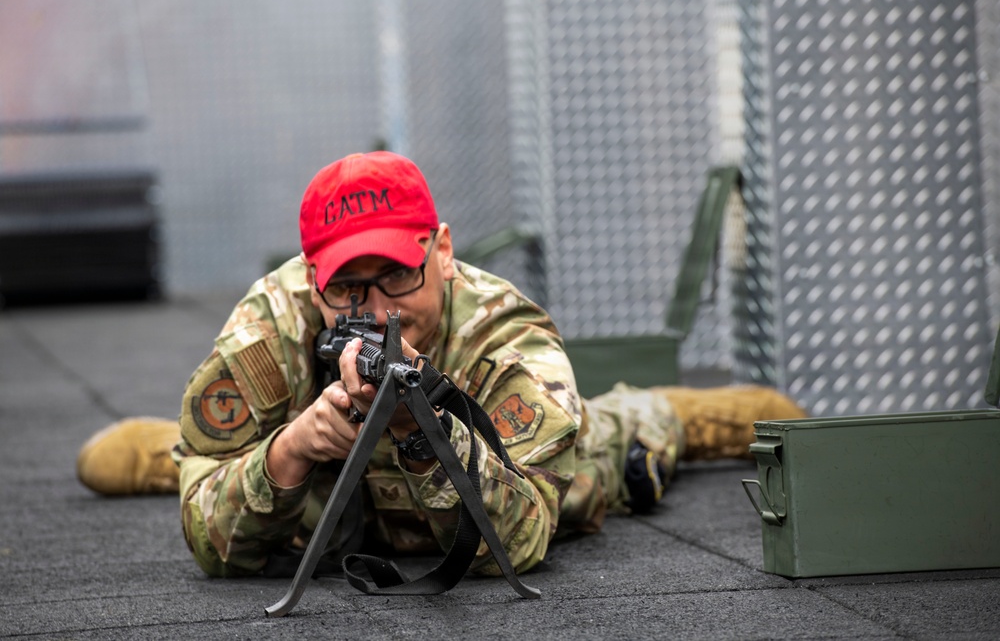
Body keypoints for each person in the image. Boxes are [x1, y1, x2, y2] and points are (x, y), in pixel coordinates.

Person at [77, 151, 806, 578]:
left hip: (519, 465)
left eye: (397, 275)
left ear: (444, 251)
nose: (376, 310)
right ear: (310, 276)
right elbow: (211, 547)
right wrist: (291, 448)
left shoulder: (507, 336)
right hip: (334, 506)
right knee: (144, 462)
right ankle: (178, 453)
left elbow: (519, 542)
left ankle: (672, 410)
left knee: (614, 448)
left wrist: (421, 428)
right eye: (346, 287)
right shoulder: (268, 331)